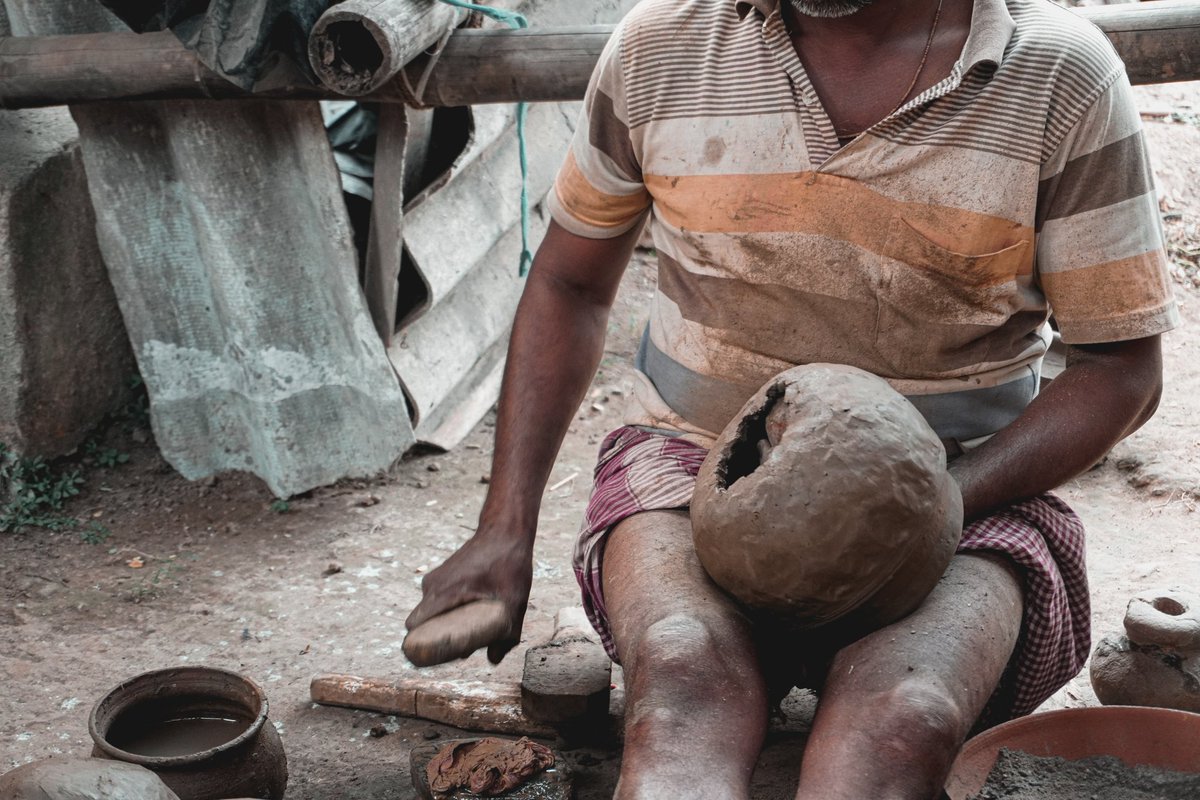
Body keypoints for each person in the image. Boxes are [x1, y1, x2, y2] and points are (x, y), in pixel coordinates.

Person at [406, 0, 1178, 795]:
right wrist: (504, 529)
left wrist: (941, 502)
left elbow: (1121, 368)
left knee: (904, 718)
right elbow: (569, 285)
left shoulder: (1058, 73)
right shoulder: (660, 47)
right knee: (681, 682)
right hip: (695, 466)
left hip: (967, 488)